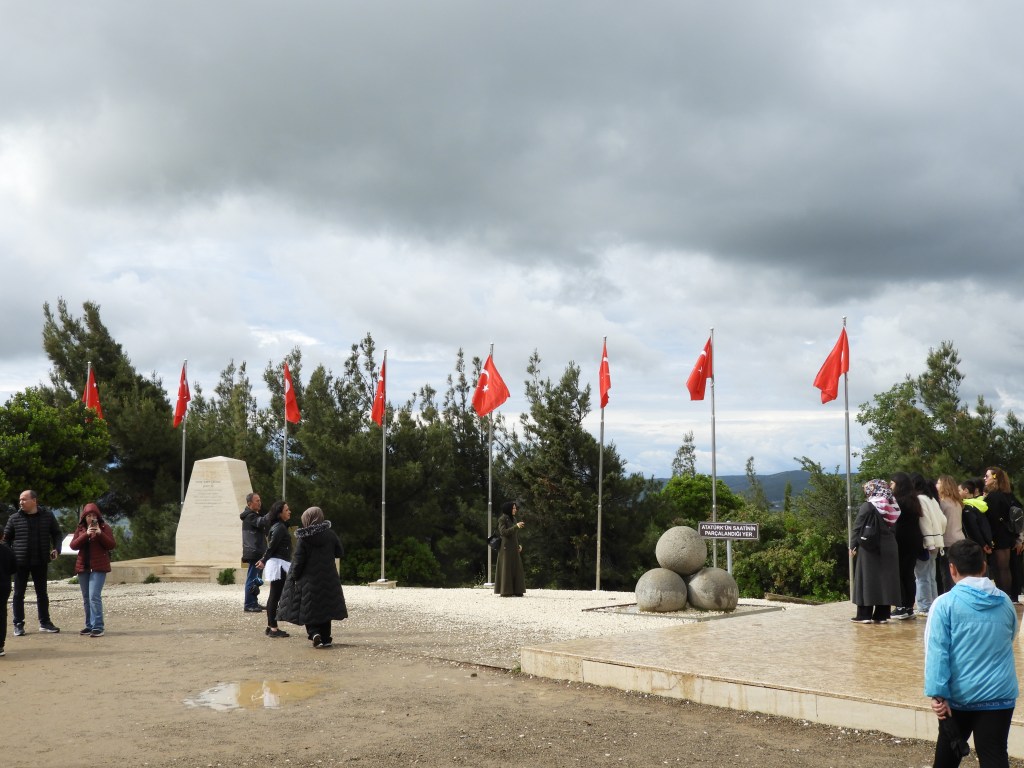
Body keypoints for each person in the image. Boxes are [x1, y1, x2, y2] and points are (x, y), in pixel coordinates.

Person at [925, 538, 1018, 767]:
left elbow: (937, 652)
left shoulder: (944, 604)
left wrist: (937, 694)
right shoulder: (1005, 602)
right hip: (1000, 696)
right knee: (995, 756)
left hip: (958, 698)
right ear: (984, 567)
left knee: (946, 759)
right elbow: (1010, 637)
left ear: (952, 569)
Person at [277, 506, 348, 648]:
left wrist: (294, 576)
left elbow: (298, 561)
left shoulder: (304, 538)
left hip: (308, 580)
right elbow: (339, 552)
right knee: (326, 607)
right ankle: (326, 638)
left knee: (308, 608)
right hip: (329, 578)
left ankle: (314, 634)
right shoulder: (330, 534)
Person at [2, 490, 63, 635]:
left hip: (41, 560)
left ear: (34, 500)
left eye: (24, 499)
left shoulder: (48, 516)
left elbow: (57, 533)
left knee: (42, 593)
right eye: (20, 500)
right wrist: (10, 556)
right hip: (20, 562)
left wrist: (57, 548)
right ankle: (18, 624)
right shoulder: (14, 518)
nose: (21, 502)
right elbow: (5, 539)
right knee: (18, 594)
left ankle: (45, 623)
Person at [849, 479, 902, 623]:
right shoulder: (892, 505)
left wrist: (852, 546)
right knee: (885, 581)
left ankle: (864, 615)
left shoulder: (868, 506)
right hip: (890, 546)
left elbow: (857, 527)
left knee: (867, 579)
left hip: (870, 547)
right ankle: (882, 615)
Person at [70, 502, 117, 637]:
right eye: (88, 516)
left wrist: (100, 534)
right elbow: (73, 545)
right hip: (83, 567)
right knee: (86, 598)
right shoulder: (80, 529)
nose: (91, 518)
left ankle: (98, 626)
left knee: (94, 596)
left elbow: (111, 545)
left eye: (94, 516)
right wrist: (86, 535)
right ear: (84, 517)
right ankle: (89, 625)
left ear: (98, 517)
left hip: (99, 567)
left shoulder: (104, 527)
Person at [255, 501, 293, 638]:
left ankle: (270, 626)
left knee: (274, 595)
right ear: (279, 513)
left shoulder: (279, 526)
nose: (289, 512)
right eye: (286, 510)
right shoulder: (279, 528)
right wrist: (263, 560)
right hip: (278, 564)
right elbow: (271, 547)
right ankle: (273, 629)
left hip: (278, 562)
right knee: (275, 596)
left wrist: (264, 560)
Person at [891, 472, 924, 620]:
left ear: (899, 485)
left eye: (892, 483)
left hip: (902, 540)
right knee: (909, 574)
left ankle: (901, 606)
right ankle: (909, 607)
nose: (890, 486)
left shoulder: (898, 502)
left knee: (899, 574)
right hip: (914, 540)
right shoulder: (913, 500)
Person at [913, 473, 947, 615]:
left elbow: (924, 521)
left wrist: (928, 539)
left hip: (927, 542)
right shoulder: (932, 499)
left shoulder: (920, 499)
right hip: (937, 542)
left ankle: (924, 606)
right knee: (931, 575)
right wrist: (939, 535)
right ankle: (933, 602)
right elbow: (943, 520)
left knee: (922, 576)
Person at [982, 467, 1016, 600]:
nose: (984, 478)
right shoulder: (1007, 494)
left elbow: (992, 518)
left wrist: (989, 539)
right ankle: (1007, 596)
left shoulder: (994, 496)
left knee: (1000, 569)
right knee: (1005, 568)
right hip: (1007, 534)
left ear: (995, 478)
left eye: (987, 476)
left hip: (998, 535)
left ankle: (1003, 597)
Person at [936, 474, 966, 593]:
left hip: (947, 540)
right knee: (958, 570)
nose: (936, 485)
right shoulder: (958, 502)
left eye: (938, 483)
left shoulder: (942, 503)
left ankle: (949, 594)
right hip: (959, 538)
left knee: (947, 572)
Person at [240, 492, 268, 612]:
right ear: (249, 503)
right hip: (254, 552)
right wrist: (273, 513)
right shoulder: (250, 516)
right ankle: (249, 604)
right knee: (252, 578)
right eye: (257, 501)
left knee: (256, 579)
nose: (259, 502)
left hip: (257, 552)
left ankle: (254, 602)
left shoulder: (253, 515)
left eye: (260, 500)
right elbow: (261, 521)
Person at [494, 501, 526, 598]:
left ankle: (517, 590)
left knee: (516, 567)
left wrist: (519, 544)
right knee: (506, 568)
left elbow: (515, 534)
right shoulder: (502, 519)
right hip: (506, 548)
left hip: (514, 546)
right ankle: (505, 591)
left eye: (515, 508)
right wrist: (516, 526)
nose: (515, 510)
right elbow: (503, 532)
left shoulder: (514, 519)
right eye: (513, 508)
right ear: (508, 509)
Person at [0, 539, 15, 656]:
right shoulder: (7, 550)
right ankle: (0, 645)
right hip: (3, 586)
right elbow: (14, 568)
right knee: (1, 614)